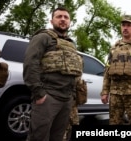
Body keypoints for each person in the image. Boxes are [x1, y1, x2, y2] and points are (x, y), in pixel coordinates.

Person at [23, 7, 83, 141]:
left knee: (58, 137)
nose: (63, 19)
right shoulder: (43, 37)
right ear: (51, 21)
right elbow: (30, 64)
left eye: (66, 17)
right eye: (59, 16)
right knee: (39, 136)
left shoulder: (71, 44)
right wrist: (39, 93)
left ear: (70, 22)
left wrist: (73, 95)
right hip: (48, 97)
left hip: (67, 99)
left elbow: (75, 71)